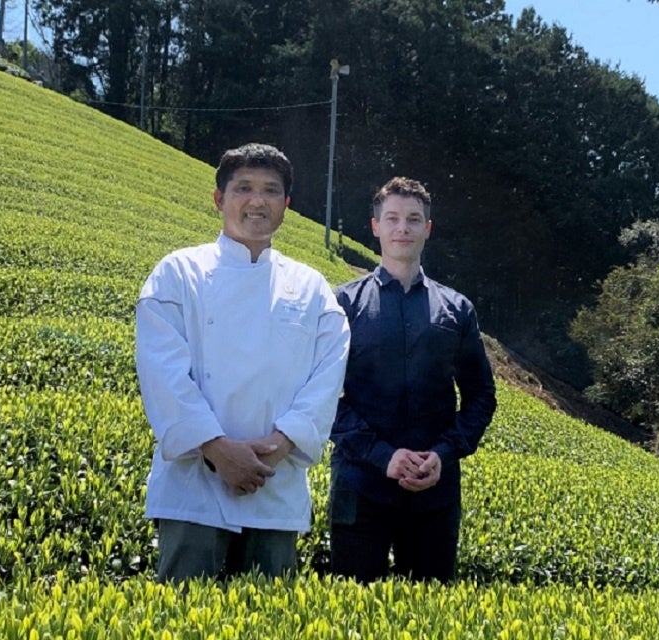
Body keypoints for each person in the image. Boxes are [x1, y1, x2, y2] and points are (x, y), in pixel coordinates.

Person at [135, 143, 350, 583]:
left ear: (286, 205)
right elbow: (163, 373)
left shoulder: (310, 288)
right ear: (219, 199)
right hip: (194, 490)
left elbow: (327, 377)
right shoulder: (178, 274)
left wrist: (279, 445)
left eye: (271, 190)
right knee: (183, 614)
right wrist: (218, 450)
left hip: (274, 486)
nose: (257, 201)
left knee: (268, 615)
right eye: (244, 188)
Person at [328, 176, 496, 583]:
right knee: (352, 608)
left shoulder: (456, 309)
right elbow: (323, 397)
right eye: (392, 218)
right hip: (360, 486)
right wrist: (383, 456)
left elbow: (480, 395)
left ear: (428, 228)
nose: (402, 228)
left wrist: (444, 453)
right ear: (375, 226)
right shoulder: (342, 304)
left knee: (430, 610)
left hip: (435, 492)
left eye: (413, 219)